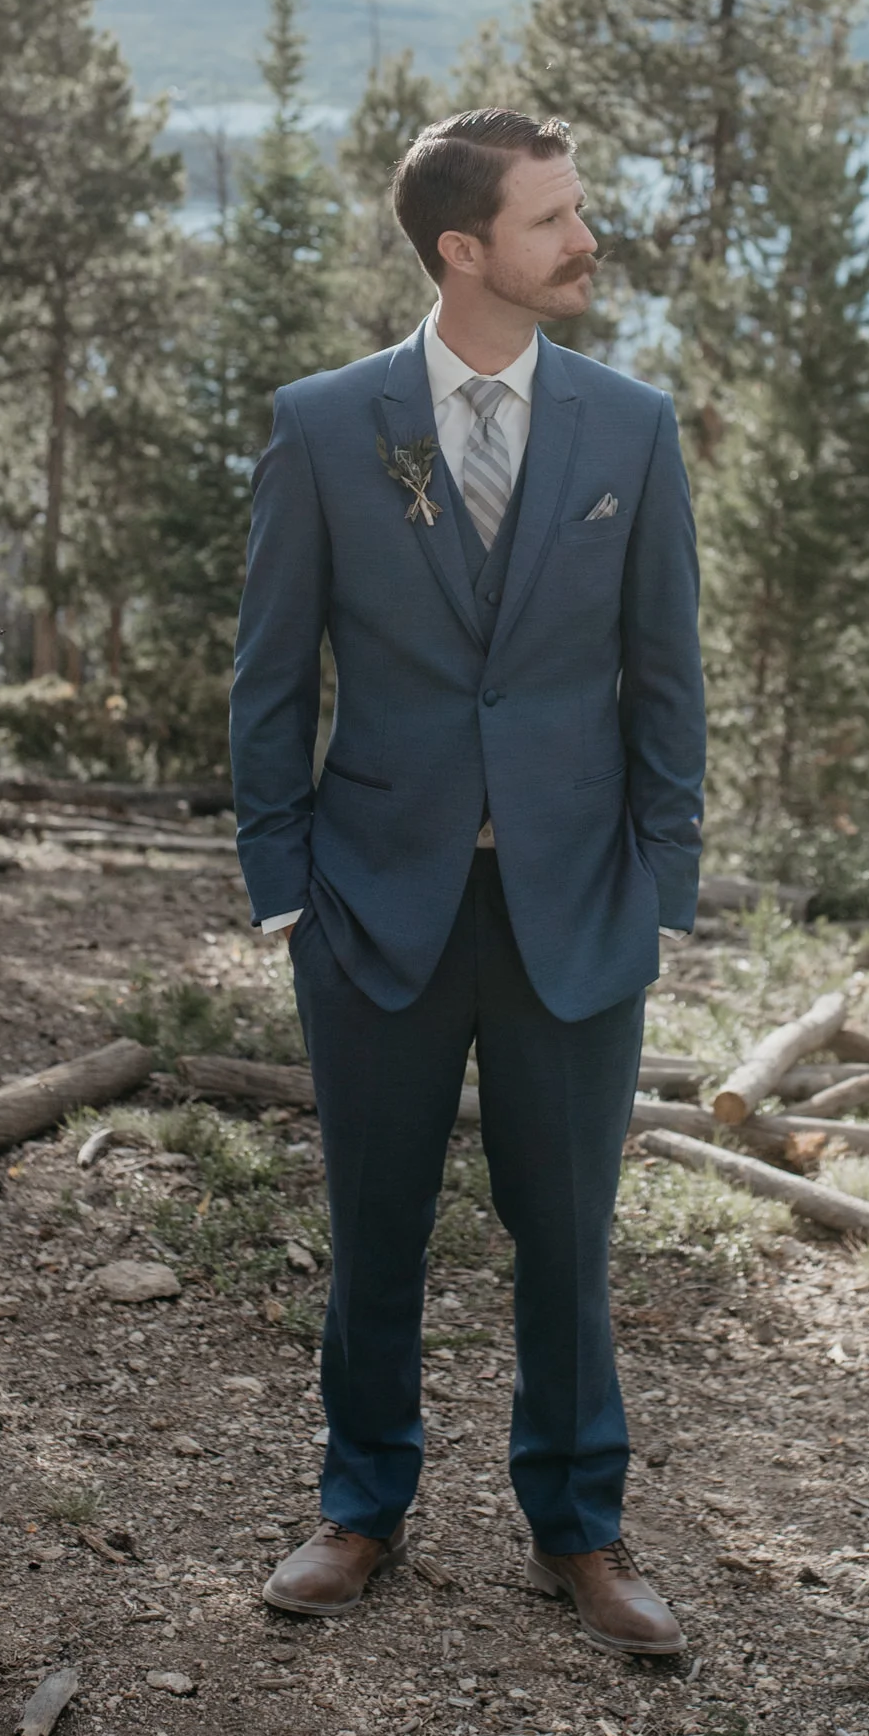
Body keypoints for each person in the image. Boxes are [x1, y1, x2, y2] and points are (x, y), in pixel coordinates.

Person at [229, 107, 705, 1653]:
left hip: (576, 906)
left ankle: (579, 1529)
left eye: (576, 211)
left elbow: (666, 679)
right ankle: (359, 1511)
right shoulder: (323, 425)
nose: (582, 240)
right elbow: (266, 680)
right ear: (462, 250)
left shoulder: (629, 427)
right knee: (374, 1229)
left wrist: (661, 885)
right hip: (374, 902)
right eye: (551, 219)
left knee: (566, 1239)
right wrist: (285, 883)